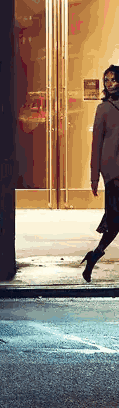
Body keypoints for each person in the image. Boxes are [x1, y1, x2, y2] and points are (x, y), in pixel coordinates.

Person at [83, 64, 119, 282]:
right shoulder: (103, 109)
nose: (110, 84)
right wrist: (94, 176)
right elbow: (96, 144)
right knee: (115, 220)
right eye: (107, 81)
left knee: (115, 219)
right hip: (113, 170)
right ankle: (94, 256)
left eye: (114, 79)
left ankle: (94, 256)